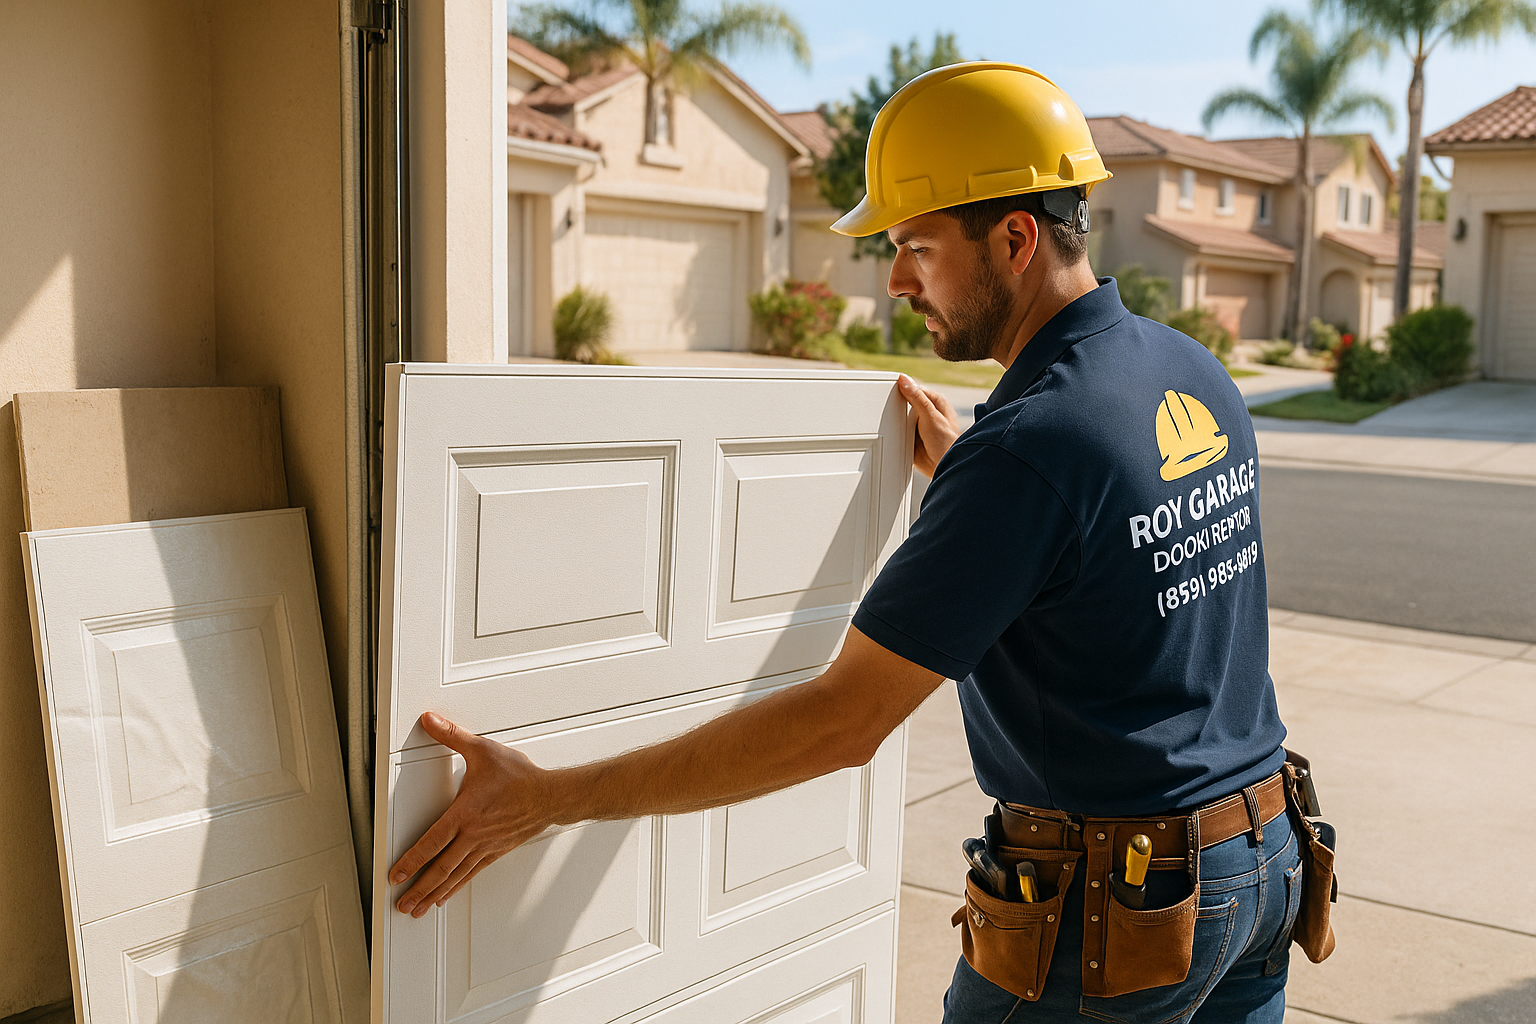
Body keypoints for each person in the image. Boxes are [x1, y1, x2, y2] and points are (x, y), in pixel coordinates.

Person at [390, 62, 1310, 1023]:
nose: (898, 280)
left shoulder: (1027, 453)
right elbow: (1114, 556)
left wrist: (549, 798)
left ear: (1016, 238)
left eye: (916, 246)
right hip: (1263, 861)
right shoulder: (1187, 370)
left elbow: (841, 722)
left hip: (1123, 916)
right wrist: (972, 481)